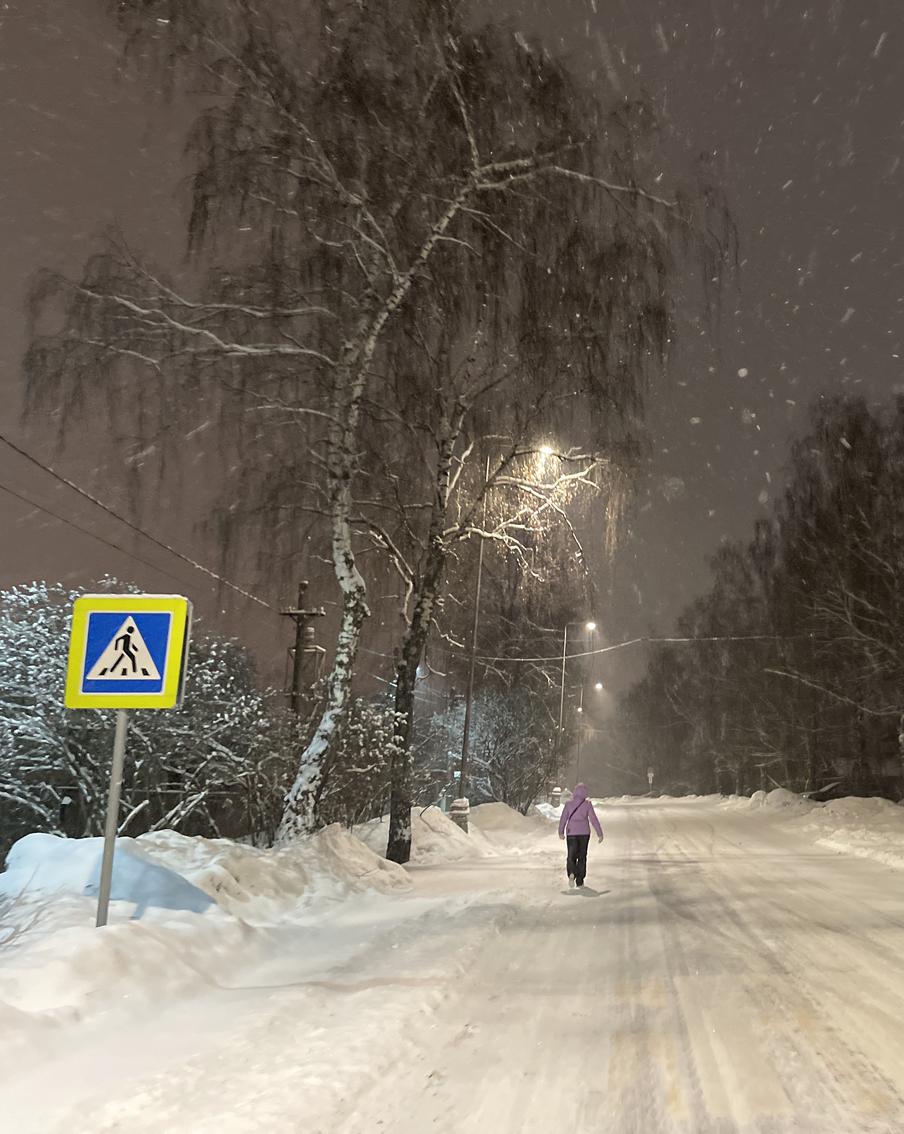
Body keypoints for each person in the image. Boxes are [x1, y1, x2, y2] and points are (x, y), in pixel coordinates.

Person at [558, 783, 603, 888]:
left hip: (571, 833)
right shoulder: (587, 804)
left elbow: (563, 818)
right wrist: (599, 833)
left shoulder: (569, 804)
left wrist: (561, 832)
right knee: (582, 856)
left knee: (571, 855)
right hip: (584, 834)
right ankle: (580, 879)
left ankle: (571, 873)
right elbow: (593, 819)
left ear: (574, 792)